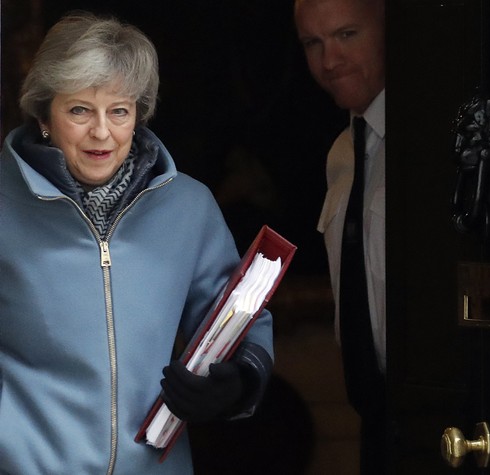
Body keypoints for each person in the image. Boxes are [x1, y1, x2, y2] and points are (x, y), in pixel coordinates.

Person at [0, 12, 273, 474]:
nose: (102, 132)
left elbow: (240, 315)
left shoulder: (188, 206)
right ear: (44, 114)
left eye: (119, 111)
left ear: (139, 115)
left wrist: (238, 382)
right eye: (80, 110)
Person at [294, 0, 387, 473]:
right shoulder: (343, 154)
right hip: (373, 421)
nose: (329, 62)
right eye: (314, 43)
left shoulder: (433, 142)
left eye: (347, 35)